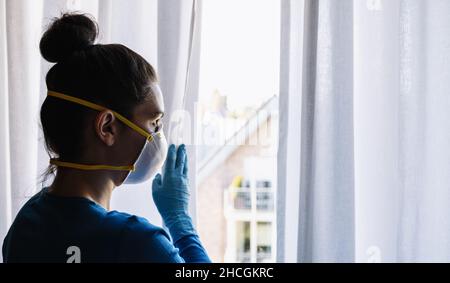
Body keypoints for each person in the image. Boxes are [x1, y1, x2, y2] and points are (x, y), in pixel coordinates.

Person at [2, 13, 210, 263]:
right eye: (154, 122)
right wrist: (181, 223)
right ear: (107, 127)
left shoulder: (26, 224)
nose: (158, 135)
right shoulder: (138, 243)